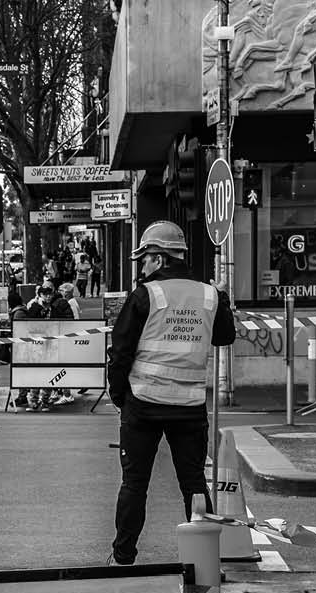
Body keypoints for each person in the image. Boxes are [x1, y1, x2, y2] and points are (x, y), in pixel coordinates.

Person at [107, 220, 237, 566]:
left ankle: (123, 558)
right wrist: (222, 299)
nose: (142, 268)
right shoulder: (209, 294)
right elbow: (225, 337)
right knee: (194, 484)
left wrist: (119, 396)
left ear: (160, 258)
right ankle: (206, 563)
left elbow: (120, 351)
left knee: (134, 483)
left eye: (145, 260)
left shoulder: (146, 295)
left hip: (143, 404)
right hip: (190, 407)